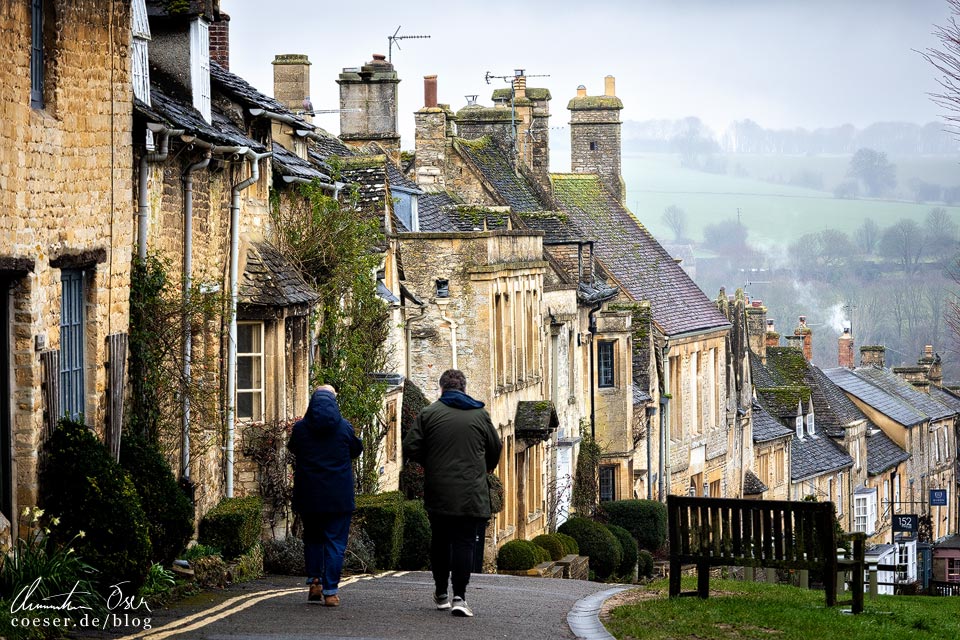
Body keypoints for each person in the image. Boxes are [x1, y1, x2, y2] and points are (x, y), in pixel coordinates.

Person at [402, 369, 502, 618]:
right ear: (464, 389)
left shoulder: (429, 413)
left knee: (440, 541)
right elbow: (495, 447)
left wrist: (431, 461)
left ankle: (441, 593)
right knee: (465, 543)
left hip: (439, 490)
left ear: (442, 389)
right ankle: (460, 596)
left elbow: (410, 446)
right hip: (472, 492)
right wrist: (485, 466)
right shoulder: (480, 415)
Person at [287, 384, 362, 606]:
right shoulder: (344, 428)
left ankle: (315, 582)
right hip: (338, 497)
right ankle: (330, 592)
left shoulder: (301, 429)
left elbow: (293, 448)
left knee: (312, 538)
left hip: (309, 495)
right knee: (335, 543)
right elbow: (356, 450)